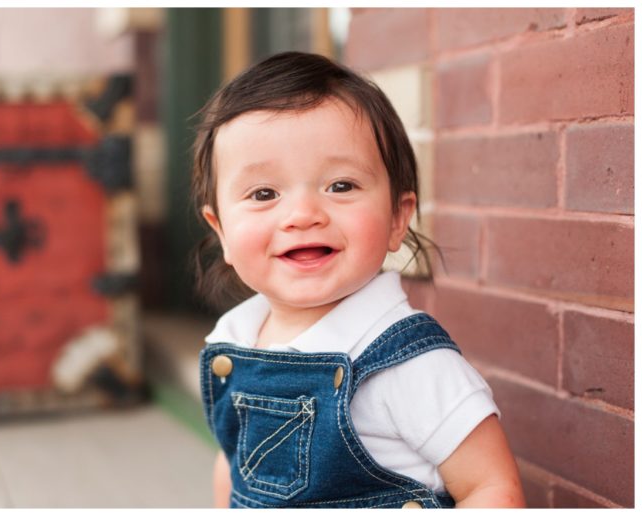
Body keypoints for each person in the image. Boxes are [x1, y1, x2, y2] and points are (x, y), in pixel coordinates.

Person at [191, 51, 525, 509]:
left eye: (340, 186)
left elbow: (491, 488)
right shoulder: (232, 343)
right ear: (221, 232)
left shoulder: (409, 364)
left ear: (397, 219)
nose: (303, 215)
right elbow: (234, 464)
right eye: (264, 193)